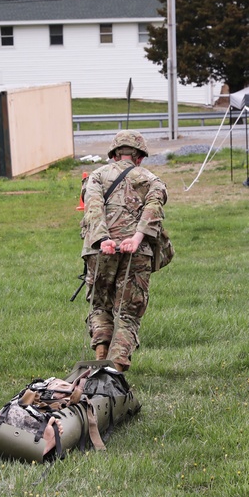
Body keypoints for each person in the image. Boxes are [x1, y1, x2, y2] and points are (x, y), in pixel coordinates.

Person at [80, 130, 167, 373]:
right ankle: (115, 371)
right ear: (139, 156)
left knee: (100, 305)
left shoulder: (96, 176)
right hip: (137, 252)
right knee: (128, 313)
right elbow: (154, 208)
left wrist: (102, 239)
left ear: (114, 154)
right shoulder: (152, 179)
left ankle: (100, 355)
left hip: (100, 252)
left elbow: (93, 206)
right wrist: (137, 238)